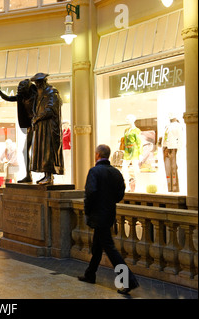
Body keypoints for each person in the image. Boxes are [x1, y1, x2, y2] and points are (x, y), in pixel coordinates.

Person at [78, 144, 139, 295]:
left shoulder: (94, 171)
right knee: (97, 247)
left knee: (110, 249)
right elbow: (120, 195)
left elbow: (90, 193)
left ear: (97, 155)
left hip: (98, 216)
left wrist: (87, 211)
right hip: (109, 214)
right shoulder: (116, 172)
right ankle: (90, 274)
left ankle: (128, 281)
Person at [0, 79, 37, 183]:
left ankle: (46, 175)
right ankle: (28, 175)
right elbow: (8, 98)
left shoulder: (36, 97)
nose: (20, 91)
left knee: (39, 151)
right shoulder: (22, 98)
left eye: (22, 89)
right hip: (31, 127)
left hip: (39, 126)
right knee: (25, 150)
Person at [30, 73, 64, 185]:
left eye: (39, 82)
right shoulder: (40, 93)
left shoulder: (51, 92)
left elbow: (51, 109)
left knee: (48, 150)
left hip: (49, 127)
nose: (37, 85)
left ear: (44, 81)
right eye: (36, 83)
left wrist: (38, 118)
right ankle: (45, 175)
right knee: (42, 151)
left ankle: (49, 176)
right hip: (41, 127)